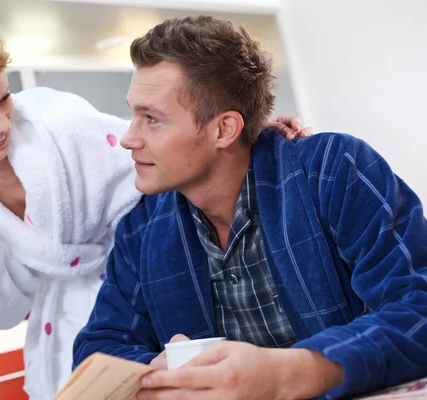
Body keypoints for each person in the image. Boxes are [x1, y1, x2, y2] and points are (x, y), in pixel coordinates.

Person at [0, 2, 306, 399]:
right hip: (65, 328)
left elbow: (162, 147)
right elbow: (5, 309)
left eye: (4, 98)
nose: (1, 123)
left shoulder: (61, 124)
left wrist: (242, 133)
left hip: (146, 287)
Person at [72, 15, 427, 400]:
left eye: (152, 119)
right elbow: (97, 346)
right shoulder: (141, 228)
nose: (128, 139)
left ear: (224, 129)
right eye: (133, 114)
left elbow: (418, 306)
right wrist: (152, 372)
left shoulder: (333, 170)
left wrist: (290, 373)